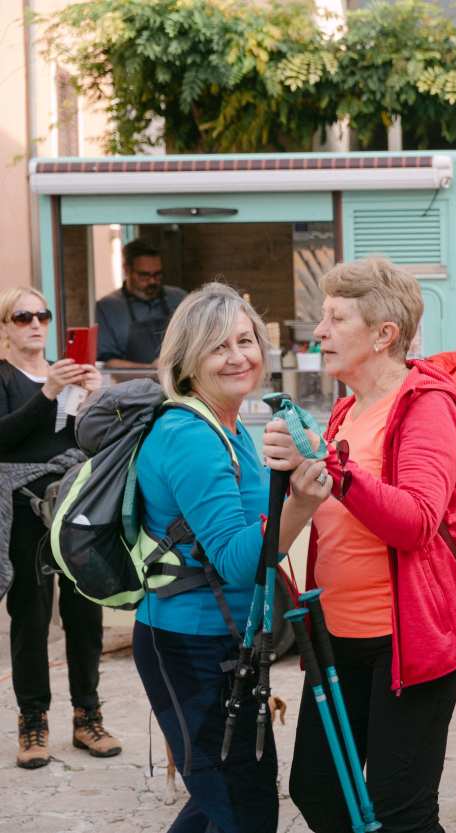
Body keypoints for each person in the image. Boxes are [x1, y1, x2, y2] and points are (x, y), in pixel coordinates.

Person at [264, 257, 456, 833]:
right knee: (318, 787)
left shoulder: (425, 406)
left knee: (401, 812)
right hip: (339, 635)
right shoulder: (346, 409)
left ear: (385, 334)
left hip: (408, 640)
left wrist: (332, 467)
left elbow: (416, 521)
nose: (320, 331)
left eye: (336, 318)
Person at [132, 283, 328, 833]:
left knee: (220, 804)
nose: (238, 356)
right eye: (218, 346)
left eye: (245, 340)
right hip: (189, 645)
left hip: (225, 640)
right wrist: (301, 504)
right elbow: (235, 561)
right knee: (242, 807)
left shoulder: (233, 425)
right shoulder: (189, 435)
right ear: (188, 359)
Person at [0, 287, 116, 769]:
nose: (35, 323)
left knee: (85, 611)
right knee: (30, 615)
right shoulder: (7, 378)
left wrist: (94, 398)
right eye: (22, 316)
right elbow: (5, 437)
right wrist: (47, 392)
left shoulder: (68, 375)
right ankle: (33, 721)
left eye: (42, 315)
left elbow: (92, 441)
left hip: (74, 505)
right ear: (5, 327)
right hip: (23, 510)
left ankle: (88, 715)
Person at [97, 238, 187, 368]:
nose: (152, 281)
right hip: (131, 380)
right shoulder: (107, 307)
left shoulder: (179, 298)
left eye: (157, 274)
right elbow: (108, 362)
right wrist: (149, 369)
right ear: (126, 270)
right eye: (144, 275)